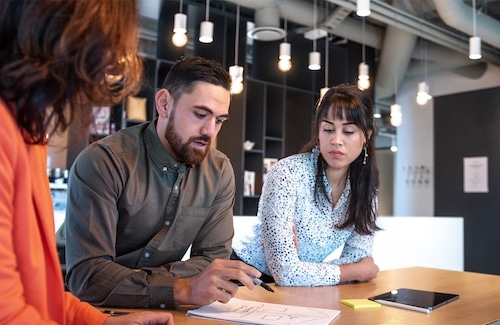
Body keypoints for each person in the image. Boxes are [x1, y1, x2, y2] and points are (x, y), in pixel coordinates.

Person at [0, 0, 174, 324]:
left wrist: (104, 323)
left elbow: (42, 294)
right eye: (103, 46)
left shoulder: (30, 132)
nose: (107, 66)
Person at [64, 56, 261, 309]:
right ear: (164, 104)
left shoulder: (219, 171)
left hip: (162, 309)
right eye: (200, 114)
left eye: (220, 120)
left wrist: (139, 282)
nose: (210, 131)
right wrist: (180, 287)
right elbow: (88, 276)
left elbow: (212, 262)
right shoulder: (104, 161)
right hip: (86, 307)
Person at [233, 84, 380, 286]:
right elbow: (286, 273)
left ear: (367, 135)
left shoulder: (366, 190)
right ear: (318, 131)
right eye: (328, 129)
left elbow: (358, 257)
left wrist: (303, 269)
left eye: (348, 131)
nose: (336, 140)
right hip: (245, 279)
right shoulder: (287, 173)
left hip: (303, 288)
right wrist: (353, 271)